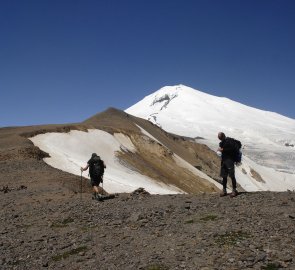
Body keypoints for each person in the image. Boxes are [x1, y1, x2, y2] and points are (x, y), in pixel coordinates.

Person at [217, 132, 238, 197]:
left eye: (219, 137)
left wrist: (223, 150)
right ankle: (224, 190)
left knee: (232, 176)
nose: (219, 138)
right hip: (224, 161)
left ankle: (234, 190)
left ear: (223, 136)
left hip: (229, 160)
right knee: (224, 176)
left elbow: (231, 149)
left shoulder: (229, 142)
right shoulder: (221, 143)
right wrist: (221, 150)